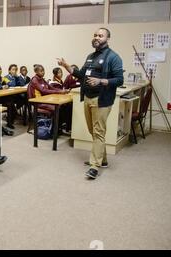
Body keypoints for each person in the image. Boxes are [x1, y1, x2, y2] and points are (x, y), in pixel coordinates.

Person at [57, 27, 123, 180]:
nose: (97, 37)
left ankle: (95, 165)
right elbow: (81, 75)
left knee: (98, 132)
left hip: (102, 100)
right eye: (95, 35)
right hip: (87, 97)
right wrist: (66, 66)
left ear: (107, 38)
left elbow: (119, 80)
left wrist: (101, 81)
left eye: (100, 35)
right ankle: (103, 159)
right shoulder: (90, 57)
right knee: (93, 131)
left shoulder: (113, 57)